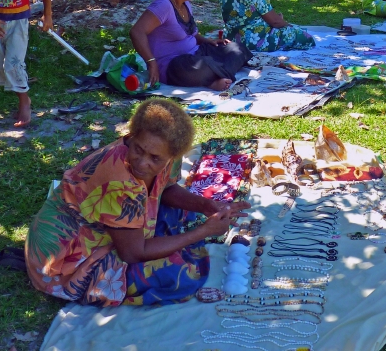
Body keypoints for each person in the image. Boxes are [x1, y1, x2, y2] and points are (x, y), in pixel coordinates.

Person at [25, 99, 250, 306]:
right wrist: (202, 232)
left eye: (155, 159)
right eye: (138, 150)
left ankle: (162, 242)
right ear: (131, 137)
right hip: (64, 263)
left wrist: (206, 205)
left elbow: (165, 188)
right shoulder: (118, 181)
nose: (142, 163)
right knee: (179, 276)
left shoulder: (168, 153)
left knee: (180, 212)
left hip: (111, 230)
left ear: (172, 156)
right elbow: (132, 254)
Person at [131, 0, 251, 90]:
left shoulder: (186, 4)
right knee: (203, 65)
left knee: (236, 49)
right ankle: (214, 78)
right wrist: (151, 63)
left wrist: (208, 41)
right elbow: (137, 32)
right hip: (174, 64)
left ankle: (215, 76)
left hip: (197, 52)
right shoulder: (163, 6)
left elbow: (191, 33)